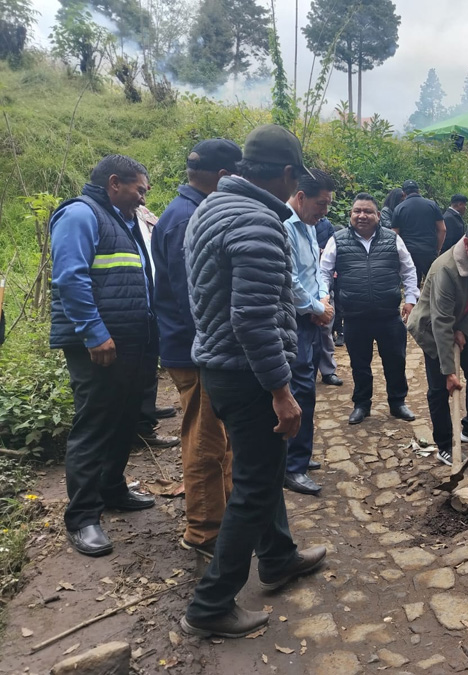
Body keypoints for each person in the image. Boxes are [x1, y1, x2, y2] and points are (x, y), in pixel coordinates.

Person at [181, 125, 326, 639]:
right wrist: (281, 392)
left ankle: (279, 556)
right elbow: (253, 320)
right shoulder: (259, 223)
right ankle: (211, 605)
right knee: (254, 487)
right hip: (249, 376)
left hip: (219, 367)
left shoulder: (210, 208)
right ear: (287, 174)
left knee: (261, 469)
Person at [50, 154, 156, 557]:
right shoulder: (81, 215)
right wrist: (95, 334)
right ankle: (82, 517)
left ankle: (112, 489)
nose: (142, 198)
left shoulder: (121, 220)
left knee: (124, 417)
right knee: (94, 424)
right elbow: (70, 278)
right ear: (115, 183)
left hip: (129, 340)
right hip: (98, 344)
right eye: (138, 190)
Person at [152, 138, 242, 559]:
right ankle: (204, 531)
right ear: (223, 176)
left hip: (198, 346)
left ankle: (224, 515)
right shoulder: (188, 219)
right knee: (205, 440)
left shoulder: (188, 211)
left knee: (216, 435)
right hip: (196, 350)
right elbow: (193, 298)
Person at [407, 219, 468, 466]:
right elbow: (440, 321)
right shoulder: (445, 270)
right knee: (440, 388)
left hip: (461, 323)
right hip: (432, 328)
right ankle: (445, 445)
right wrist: (449, 371)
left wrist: (464, 330)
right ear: (467, 243)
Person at [320, 193, 420, 425]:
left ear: (378, 215)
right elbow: (324, 272)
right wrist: (324, 297)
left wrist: (410, 299)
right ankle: (362, 405)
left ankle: (398, 402)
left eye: (368, 211)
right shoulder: (338, 240)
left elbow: (408, 269)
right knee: (359, 364)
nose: (362, 215)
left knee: (395, 361)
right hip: (355, 316)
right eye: (357, 211)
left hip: (388, 315)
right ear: (351, 214)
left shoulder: (392, 239)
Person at [283, 169, 336, 497]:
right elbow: (289, 278)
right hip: (296, 320)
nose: (325, 212)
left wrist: (323, 300)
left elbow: (314, 270)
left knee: (307, 387)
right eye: (321, 204)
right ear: (301, 197)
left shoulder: (308, 225)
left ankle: (300, 454)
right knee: (299, 389)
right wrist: (316, 308)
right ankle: (292, 466)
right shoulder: (285, 226)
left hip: (311, 318)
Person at [133, 206, 179, 449]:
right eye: (139, 188)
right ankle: (141, 425)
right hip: (133, 303)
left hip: (151, 296)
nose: (144, 192)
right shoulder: (106, 217)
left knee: (149, 362)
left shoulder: (141, 214)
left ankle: (146, 413)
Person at [391, 180, 445, 284]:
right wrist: (437, 249)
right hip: (429, 251)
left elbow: (394, 234)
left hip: (409, 252)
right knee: (434, 284)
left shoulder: (399, 208)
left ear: (403, 193)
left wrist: (399, 253)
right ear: (418, 190)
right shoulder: (432, 205)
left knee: (413, 285)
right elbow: (442, 229)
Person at [314, 215, 343, 386]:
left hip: (323, 285)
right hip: (301, 284)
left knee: (326, 329)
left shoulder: (326, 225)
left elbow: (332, 252)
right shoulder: (290, 223)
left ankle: (328, 371)